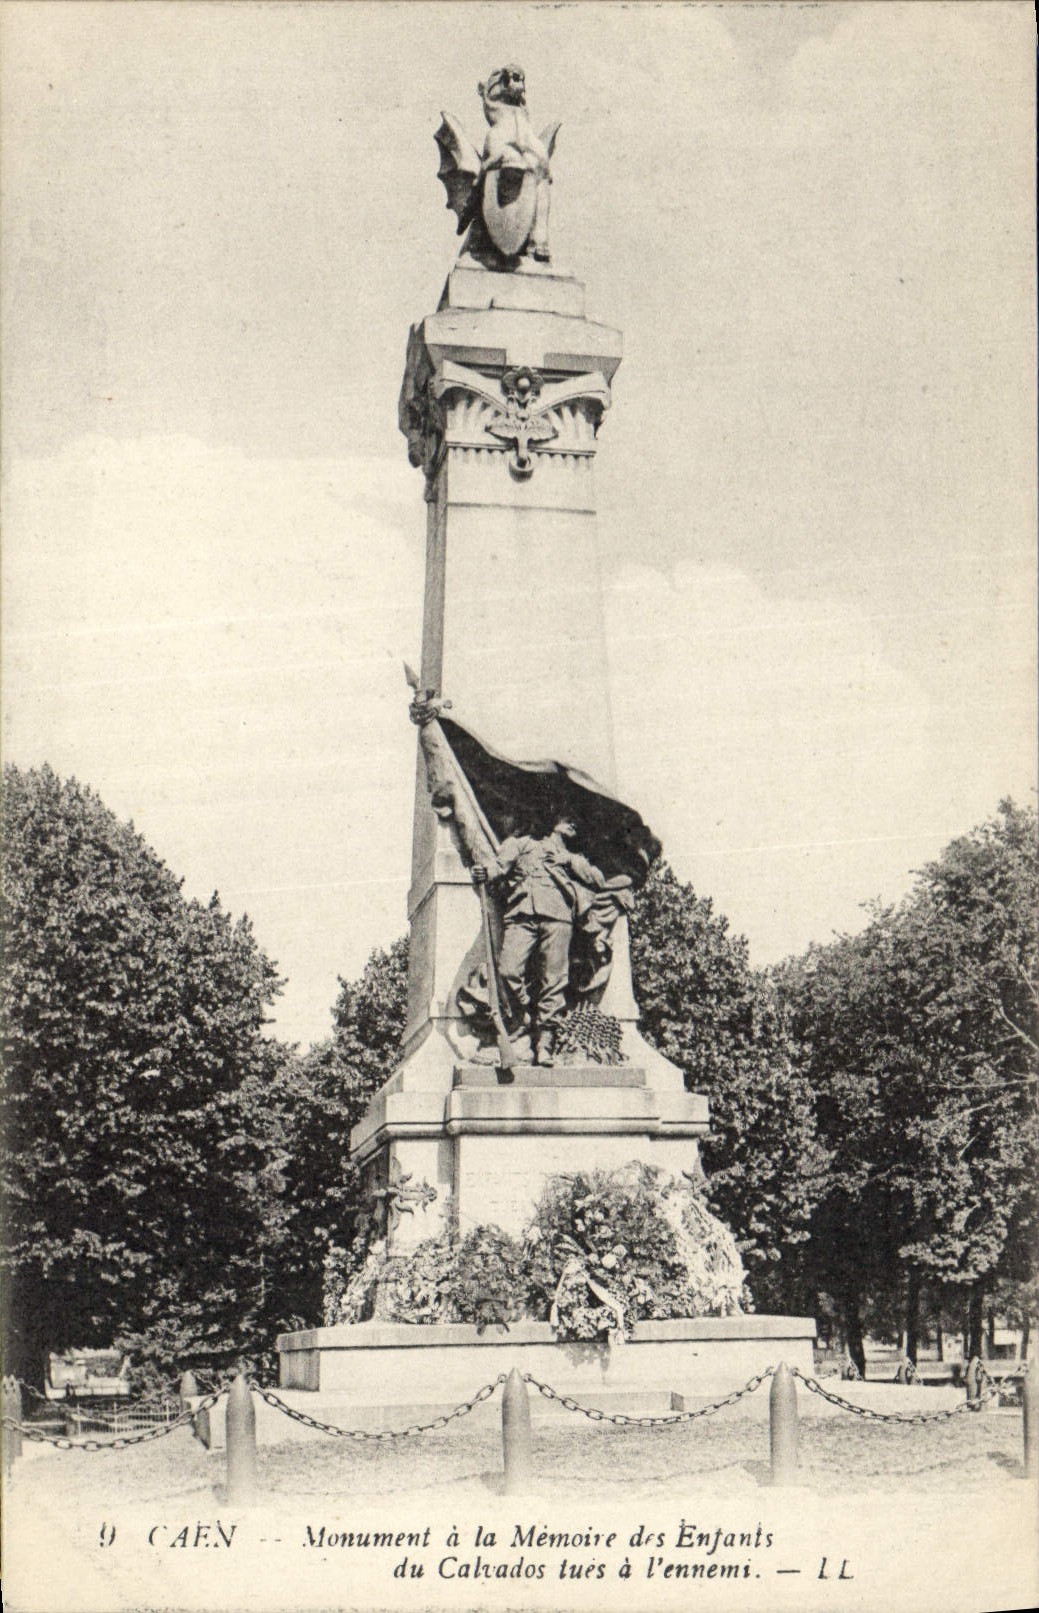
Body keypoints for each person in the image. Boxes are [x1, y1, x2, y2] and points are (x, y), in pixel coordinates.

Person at [472, 816, 606, 1066]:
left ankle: (545, 1043)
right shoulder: (519, 844)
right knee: (508, 970)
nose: (572, 824)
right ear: (552, 820)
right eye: (566, 819)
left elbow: (598, 880)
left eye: (573, 820)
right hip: (522, 914)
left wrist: (569, 861)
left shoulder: (571, 856)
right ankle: (524, 1014)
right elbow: (498, 866)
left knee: (553, 981)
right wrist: (485, 872)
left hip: (558, 917)